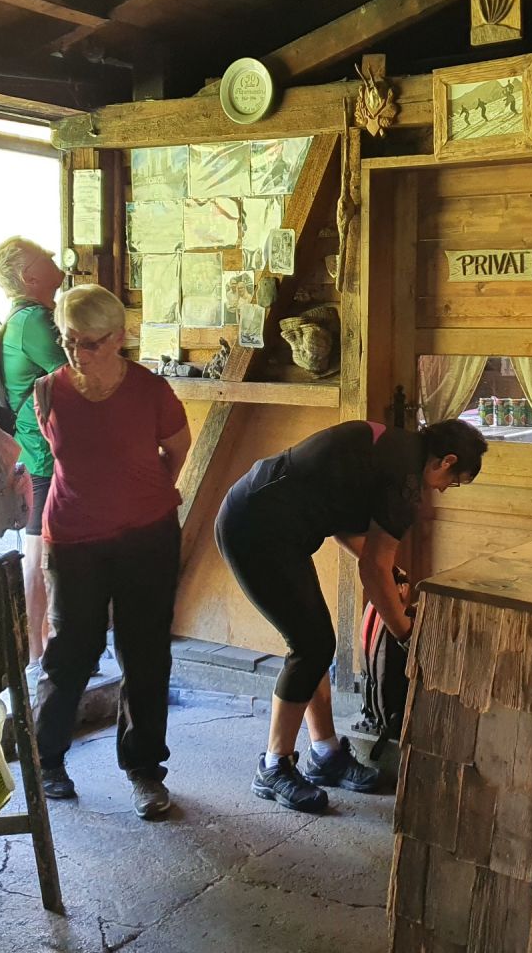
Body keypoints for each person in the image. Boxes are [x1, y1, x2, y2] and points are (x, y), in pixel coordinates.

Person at [215, 418, 488, 813]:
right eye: (453, 480)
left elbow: (343, 519)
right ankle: (274, 766)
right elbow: (372, 572)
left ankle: (325, 753)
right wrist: (406, 635)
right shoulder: (406, 482)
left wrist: (389, 574)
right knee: (311, 645)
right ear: (445, 461)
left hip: (271, 525)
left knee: (313, 643)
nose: (444, 489)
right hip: (254, 530)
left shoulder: (391, 446)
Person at [32, 285, 191, 820]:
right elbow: (57, 458)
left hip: (147, 535)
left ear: (120, 338)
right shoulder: (48, 391)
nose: (80, 354)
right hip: (73, 537)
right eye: (70, 341)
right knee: (71, 651)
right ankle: (46, 758)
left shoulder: (150, 390)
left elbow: (179, 448)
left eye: (93, 342)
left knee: (145, 652)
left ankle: (145, 770)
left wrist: (147, 493)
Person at [0, 236, 67, 665]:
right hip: (44, 454)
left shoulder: (23, 319)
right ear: (28, 276)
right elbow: (75, 375)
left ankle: (38, 646)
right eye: (46, 258)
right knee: (40, 550)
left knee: (41, 546)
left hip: (39, 451)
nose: (55, 260)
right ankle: (36, 651)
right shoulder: (35, 321)